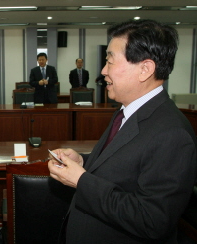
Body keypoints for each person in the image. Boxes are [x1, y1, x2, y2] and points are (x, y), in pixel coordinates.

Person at [48, 19, 197, 243]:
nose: (103, 70)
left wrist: (82, 181)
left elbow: (152, 219)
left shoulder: (172, 134)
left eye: (109, 61)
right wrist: (83, 162)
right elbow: (124, 166)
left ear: (145, 69)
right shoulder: (127, 110)